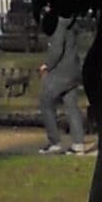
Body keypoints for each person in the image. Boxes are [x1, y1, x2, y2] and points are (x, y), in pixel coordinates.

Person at [36, 9, 90, 155]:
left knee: (45, 102)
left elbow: (57, 49)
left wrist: (47, 65)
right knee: (71, 106)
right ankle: (78, 144)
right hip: (73, 69)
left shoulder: (58, 24)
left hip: (61, 72)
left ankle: (55, 142)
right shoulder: (70, 23)